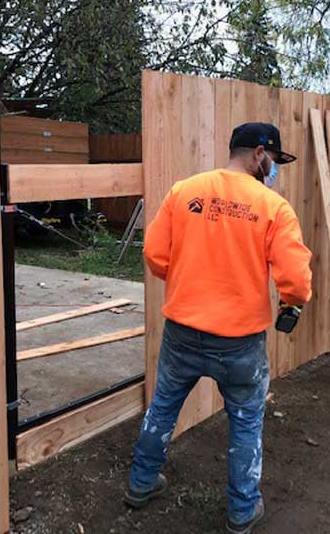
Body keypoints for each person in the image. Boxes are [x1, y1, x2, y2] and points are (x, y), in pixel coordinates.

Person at [124, 122, 313, 534]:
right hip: (240, 342)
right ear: (260, 154)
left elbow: (155, 254)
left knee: (163, 406)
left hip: (182, 331)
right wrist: (293, 305)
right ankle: (242, 511)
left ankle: (140, 484)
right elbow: (296, 282)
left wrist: (190, 282)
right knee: (245, 420)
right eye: (274, 161)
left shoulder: (184, 191)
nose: (273, 170)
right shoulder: (273, 208)